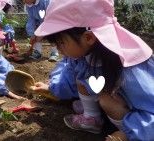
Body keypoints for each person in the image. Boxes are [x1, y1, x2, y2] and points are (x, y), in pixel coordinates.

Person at [35, 0, 154, 140]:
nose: (58, 49)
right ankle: (92, 118)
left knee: (107, 99)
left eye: (60, 42)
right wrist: (51, 87)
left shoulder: (130, 68)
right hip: (121, 104)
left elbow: (151, 110)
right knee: (82, 79)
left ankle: (126, 131)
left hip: (141, 119)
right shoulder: (83, 53)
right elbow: (69, 73)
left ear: (89, 37)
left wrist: (128, 135)